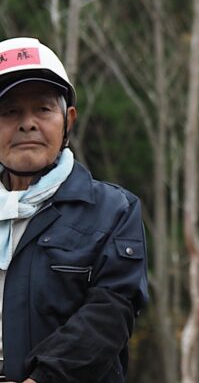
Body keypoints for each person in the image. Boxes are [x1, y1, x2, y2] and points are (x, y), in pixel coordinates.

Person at [0, 37, 148, 383]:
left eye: (43, 109)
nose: (27, 123)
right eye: (9, 111)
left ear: (68, 119)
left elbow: (109, 314)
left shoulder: (113, 211)